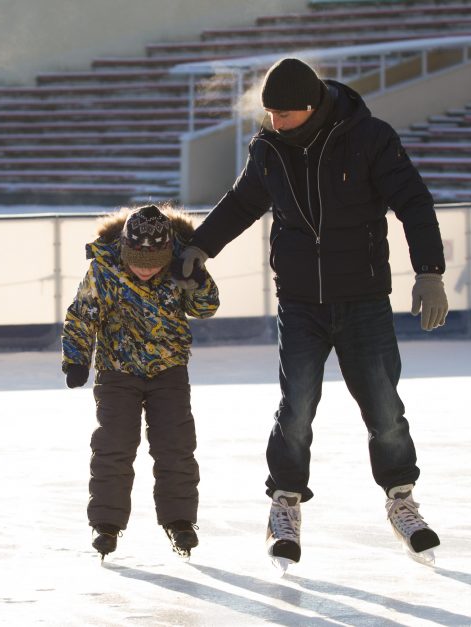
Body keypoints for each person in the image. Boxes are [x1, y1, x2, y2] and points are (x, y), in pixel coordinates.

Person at [178, 58, 449, 568]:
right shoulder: (269, 150)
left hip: (363, 298)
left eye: (284, 114)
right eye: (269, 113)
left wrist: (429, 272)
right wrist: (200, 246)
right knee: (296, 407)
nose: (274, 122)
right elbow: (241, 204)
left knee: (384, 408)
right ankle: (284, 503)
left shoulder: (368, 137)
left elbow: (413, 201)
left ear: (311, 107)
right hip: (300, 301)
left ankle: (402, 501)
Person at [62, 204, 219, 560]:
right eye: (138, 263)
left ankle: (180, 521)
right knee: (113, 447)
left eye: (153, 265)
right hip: (117, 372)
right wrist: (76, 358)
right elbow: (82, 314)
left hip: (169, 372)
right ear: (124, 250)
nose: (145, 271)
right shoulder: (103, 268)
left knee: (176, 447)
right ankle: (106, 524)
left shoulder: (181, 263)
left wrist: (198, 282)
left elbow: (206, 308)